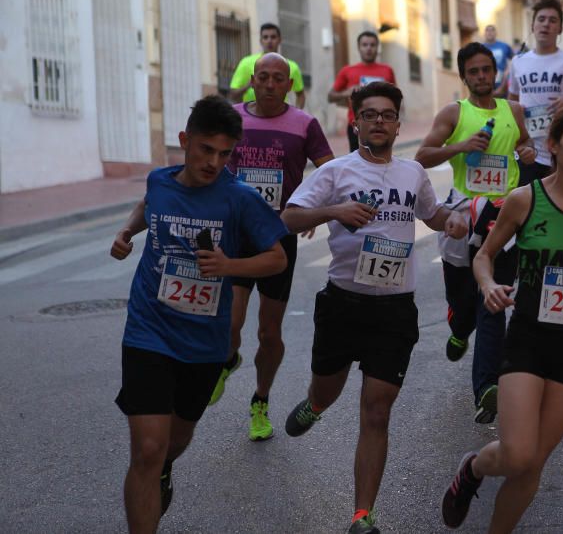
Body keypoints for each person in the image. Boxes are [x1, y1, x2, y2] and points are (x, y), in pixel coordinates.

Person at [281, 82, 468, 534]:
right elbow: (289, 217)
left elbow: (433, 215)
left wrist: (454, 221)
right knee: (328, 390)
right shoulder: (336, 173)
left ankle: (362, 514)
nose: (379, 121)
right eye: (370, 114)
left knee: (377, 411)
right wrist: (336, 211)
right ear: (356, 122)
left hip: (394, 311)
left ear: (397, 123)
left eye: (387, 114)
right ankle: (315, 404)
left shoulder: (412, 174)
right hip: (343, 305)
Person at [440, 104, 563, 533]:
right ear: (553, 145)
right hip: (528, 339)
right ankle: (473, 469)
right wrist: (489, 285)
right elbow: (485, 256)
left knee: (532, 467)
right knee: (517, 454)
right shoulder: (524, 200)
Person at [109, 96, 288, 532]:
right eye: (206, 150)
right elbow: (147, 206)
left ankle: (167, 464)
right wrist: (128, 231)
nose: (214, 162)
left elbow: (277, 258)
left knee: (175, 440)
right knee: (147, 449)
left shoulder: (239, 198)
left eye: (225, 153)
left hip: (204, 343)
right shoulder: (160, 181)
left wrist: (230, 266)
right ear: (185, 141)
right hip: (148, 329)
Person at [206, 53, 334, 440]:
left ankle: (260, 399)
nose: (269, 84)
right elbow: (208, 162)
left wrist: (308, 209)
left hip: (278, 235)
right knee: (230, 321)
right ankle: (227, 359)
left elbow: (329, 171)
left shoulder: (304, 124)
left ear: (290, 85)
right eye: (263, 76)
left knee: (268, 332)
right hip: (236, 232)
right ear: (252, 80)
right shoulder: (232, 118)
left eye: (279, 78)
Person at [415, 42, 535, 424]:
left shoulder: (513, 110)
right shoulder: (454, 112)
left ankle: (486, 388)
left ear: (495, 73)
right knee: (464, 301)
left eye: (487, 70)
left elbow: (524, 144)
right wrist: (462, 146)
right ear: (464, 76)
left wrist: (528, 150)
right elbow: (422, 156)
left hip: (504, 217)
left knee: (493, 303)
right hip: (463, 217)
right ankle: (457, 328)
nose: (482, 76)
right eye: (475, 71)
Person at [508, 0, 563, 185]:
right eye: (541, 19)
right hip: (528, 152)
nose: (546, 24)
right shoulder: (518, 62)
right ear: (532, 26)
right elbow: (511, 104)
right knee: (527, 208)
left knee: (562, 209)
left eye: (552, 20)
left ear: (560, 28)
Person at [328, 31, 397, 153]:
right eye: (365, 45)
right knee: (358, 165)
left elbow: (396, 98)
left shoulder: (387, 70)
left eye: (372, 45)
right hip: (357, 126)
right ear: (359, 48)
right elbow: (331, 96)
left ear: (377, 47)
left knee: (382, 161)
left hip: (383, 124)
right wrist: (346, 93)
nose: (369, 48)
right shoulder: (347, 71)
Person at [230, 23, 307, 109]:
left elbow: (300, 94)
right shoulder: (246, 63)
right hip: (252, 118)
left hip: (279, 118)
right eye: (265, 37)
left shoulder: (291, 67)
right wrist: (248, 85)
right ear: (261, 41)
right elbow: (233, 95)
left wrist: (296, 115)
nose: (269, 41)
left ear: (280, 40)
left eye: (273, 37)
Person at [482, 25, 514, 97]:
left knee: (503, 102)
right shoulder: (480, 47)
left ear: (496, 33)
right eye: (487, 30)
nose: (490, 32)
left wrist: (508, 71)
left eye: (492, 30)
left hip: (502, 81)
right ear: (484, 34)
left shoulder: (504, 46)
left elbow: (514, 59)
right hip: (486, 80)